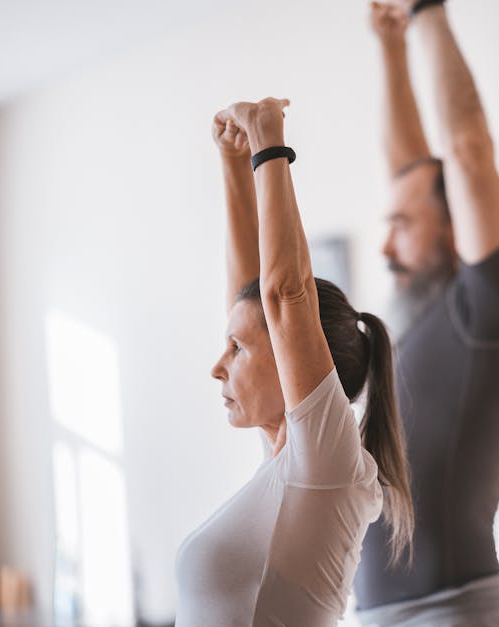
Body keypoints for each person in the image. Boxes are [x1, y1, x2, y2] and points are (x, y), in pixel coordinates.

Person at [175, 98, 413, 627]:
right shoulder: (289, 465)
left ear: (293, 358)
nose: (219, 366)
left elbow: (282, 296)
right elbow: (256, 302)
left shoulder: (327, 465)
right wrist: (236, 171)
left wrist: (270, 146)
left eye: (236, 351)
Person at [357, 2, 499, 625]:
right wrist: (389, 49)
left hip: (454, 613)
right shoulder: (425, 306)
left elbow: (466, 149)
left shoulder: (492, 306)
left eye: (402, 227)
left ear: (455, 226)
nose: (384, 246)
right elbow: (408, 173)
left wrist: (425, 13)